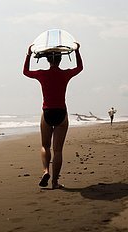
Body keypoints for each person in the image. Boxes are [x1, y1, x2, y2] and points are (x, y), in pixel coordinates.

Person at [23, 42, 83, 189]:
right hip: (61, 112)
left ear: (48, 60)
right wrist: (77, 51)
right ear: (60, 60)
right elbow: (80, 68)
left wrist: (29, 53)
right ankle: (55, 182)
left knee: (45, 145)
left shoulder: (42, 74)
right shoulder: (65, 74)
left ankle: (45, 171)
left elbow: (26, 72)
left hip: (47, 112)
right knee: (58, 150)